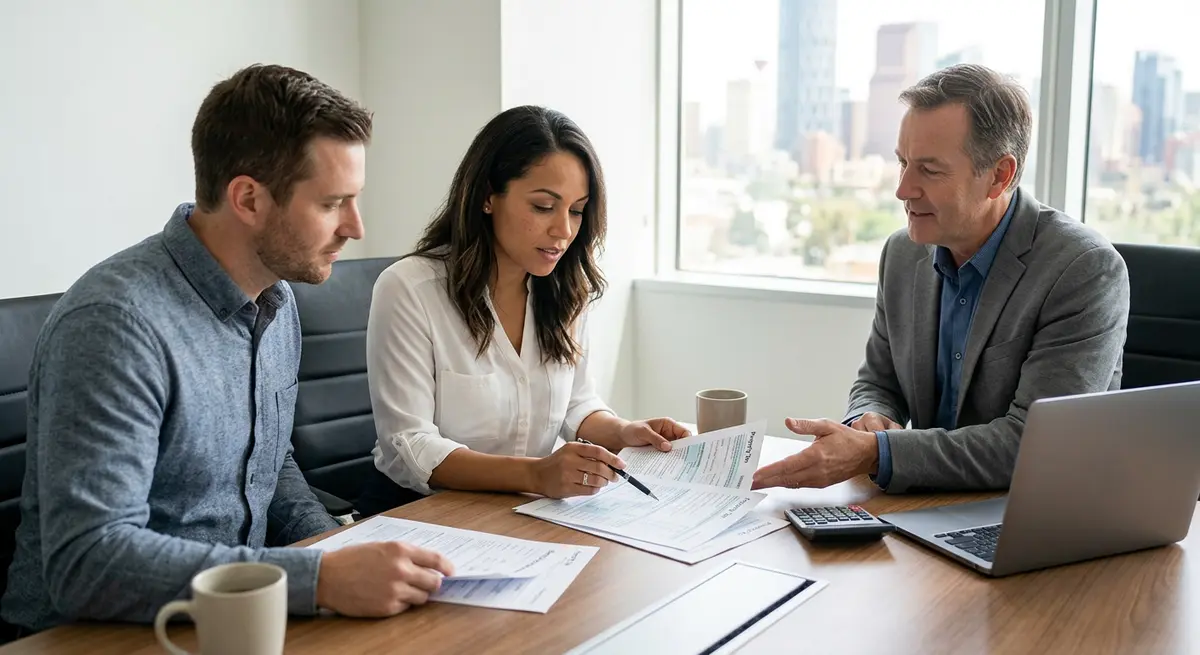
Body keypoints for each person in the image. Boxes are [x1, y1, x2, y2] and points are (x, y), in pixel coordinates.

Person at [0, 64, 452, 640]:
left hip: (234, 619)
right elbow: (87, 561)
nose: (356, 227)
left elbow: (269, 466)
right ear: (248, 198)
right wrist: (317, 578)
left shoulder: (276, 300)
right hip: (92, 635)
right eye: (333, 202)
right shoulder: (115, 324)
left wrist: (342, 548)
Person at [753, 64, 1130, 494]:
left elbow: (1034, 444)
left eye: (929, 171)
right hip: (926, 511)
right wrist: (868, 419)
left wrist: (877, 452)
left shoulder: (1083, 270)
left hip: (1032, 516)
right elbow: (878, 382)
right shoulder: (902, 254)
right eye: (902, 163)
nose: (902, 189)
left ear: (999, 176)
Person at [359, 105, 688, 514]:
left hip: (523, 511)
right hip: (419, 513)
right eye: (543, 207)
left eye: (576, 210)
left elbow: (576, 404)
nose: (563, 231)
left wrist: (623, 432)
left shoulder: (569, 290)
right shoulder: (410, 289)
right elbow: (409, 444)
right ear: (486, 197)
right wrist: (535, 474)